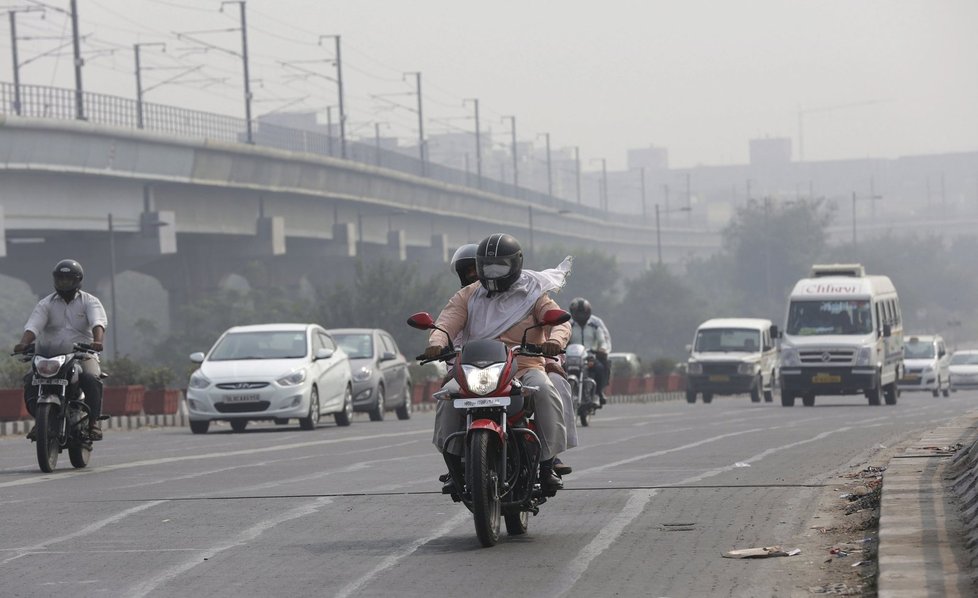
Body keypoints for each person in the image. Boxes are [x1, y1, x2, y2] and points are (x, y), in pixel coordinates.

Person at [425, 233, 571, 491]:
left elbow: (557, 320)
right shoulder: (468, 295)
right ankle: (454, 465)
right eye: (487, 267)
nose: (492, 274)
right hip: (475, 368)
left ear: (514, 265)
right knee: (447, 398)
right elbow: (446, 322)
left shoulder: (534, 293)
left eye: (499, 267)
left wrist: (556, 341)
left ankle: (547, 465)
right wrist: (436, 342)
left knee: (547, 390)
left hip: (525, 368)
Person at [15, 259, 107, 441]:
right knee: (30, 379)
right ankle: (40, 422)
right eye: (60, 279)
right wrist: (24, 343)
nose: (64, 283)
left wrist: (97, 341)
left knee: (91, 377)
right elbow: (33, 326)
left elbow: (98, 323)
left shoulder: (90, 301)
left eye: (68, 279)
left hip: (82, 354)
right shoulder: (46, 304)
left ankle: (93, 423)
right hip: (50, 354)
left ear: (77, 280)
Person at [568, 297, 610, 405]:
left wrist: (602, 349)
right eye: (578, 313)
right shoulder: (568, 326)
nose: (581, 316)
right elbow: (563, 339)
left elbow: (602, 340)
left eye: (583, 313)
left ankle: (598, 393)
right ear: (573, 313)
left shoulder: (595, 326)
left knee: (600, 368)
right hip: (572, 356)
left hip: (590, 356)